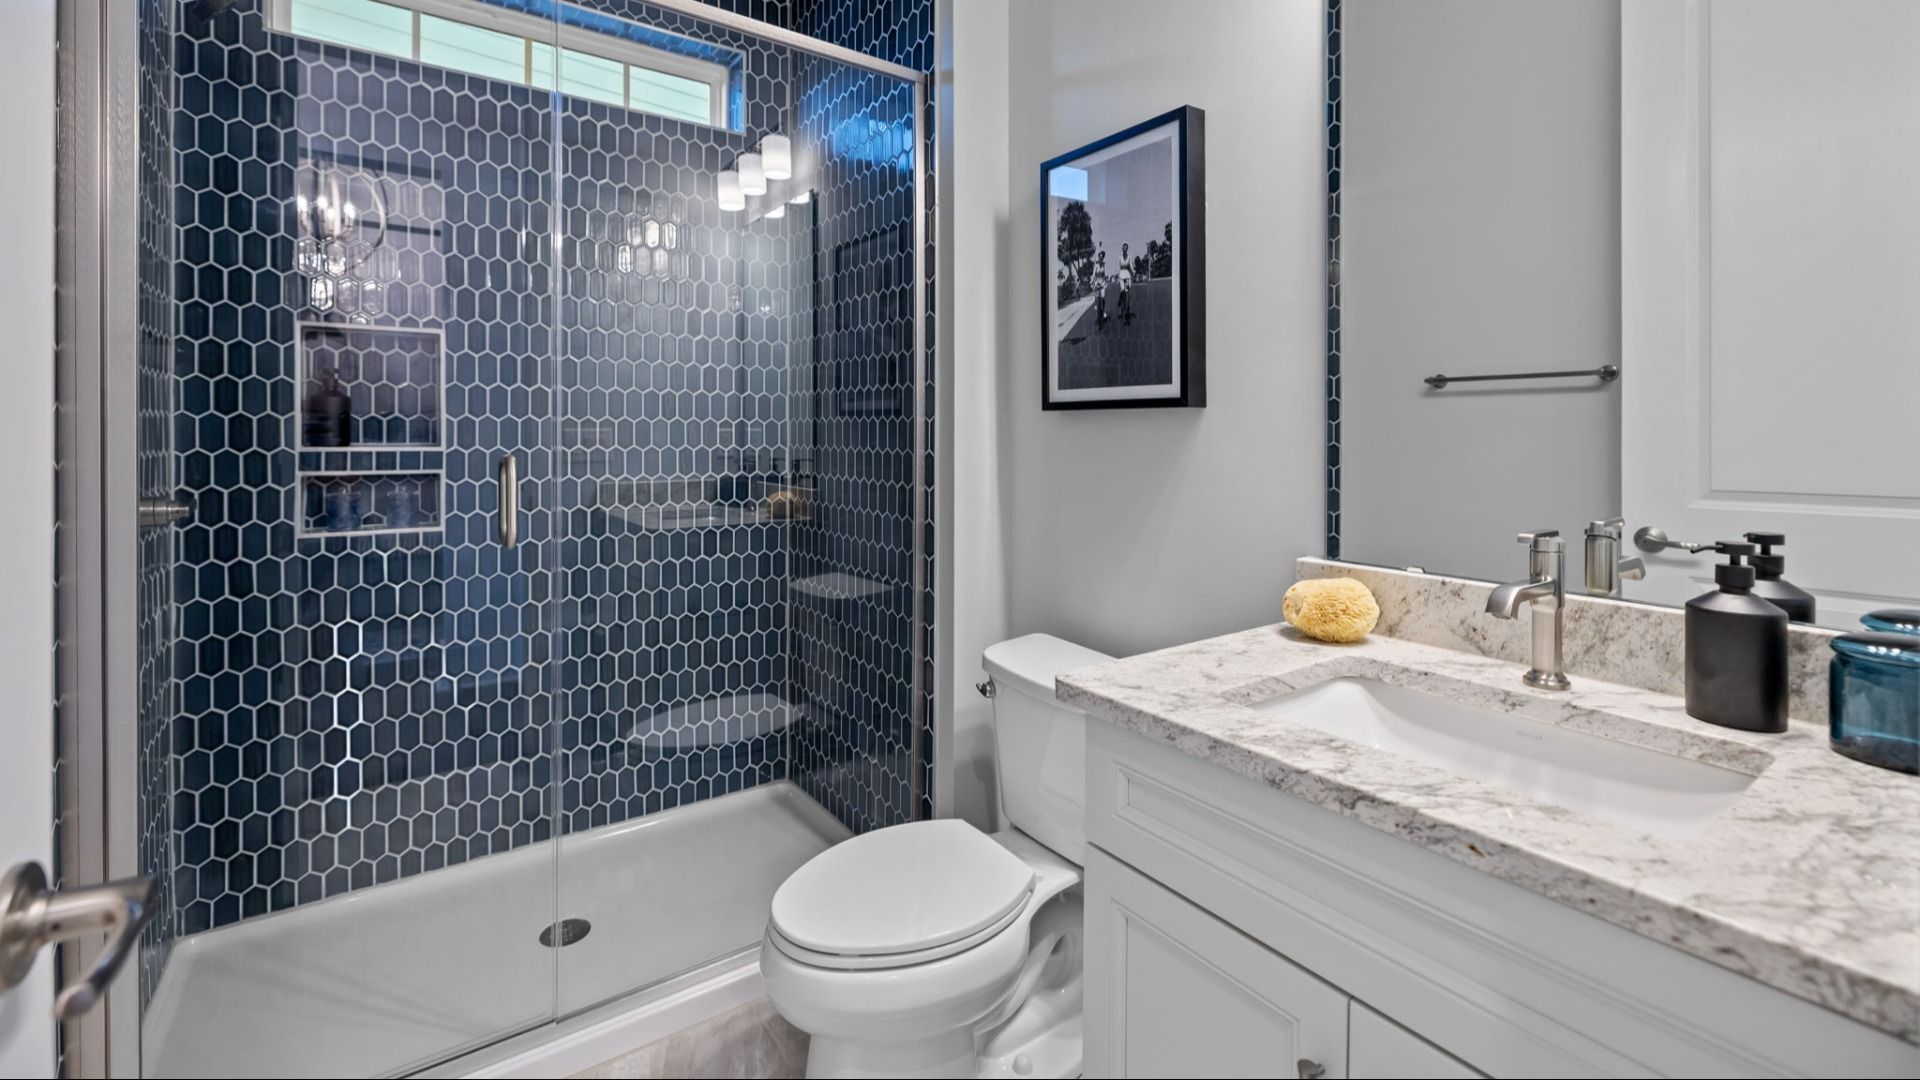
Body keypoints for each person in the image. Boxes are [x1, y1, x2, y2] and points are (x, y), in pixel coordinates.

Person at [1117, 242, 1135, 325]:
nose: (1125, 249)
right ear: (1122, 249)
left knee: (1128, 292)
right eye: (1124, 248)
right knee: (1122, 290)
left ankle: (1127, 308)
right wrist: (1117, 275)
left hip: (1127, 275)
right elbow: (1118, 268)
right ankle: (1120, 300)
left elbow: (1131, 265)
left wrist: (1133, 271)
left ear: (1127, 249)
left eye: (1126, 248)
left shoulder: (1129, 256)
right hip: (1121, 275)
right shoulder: (1119, 257)